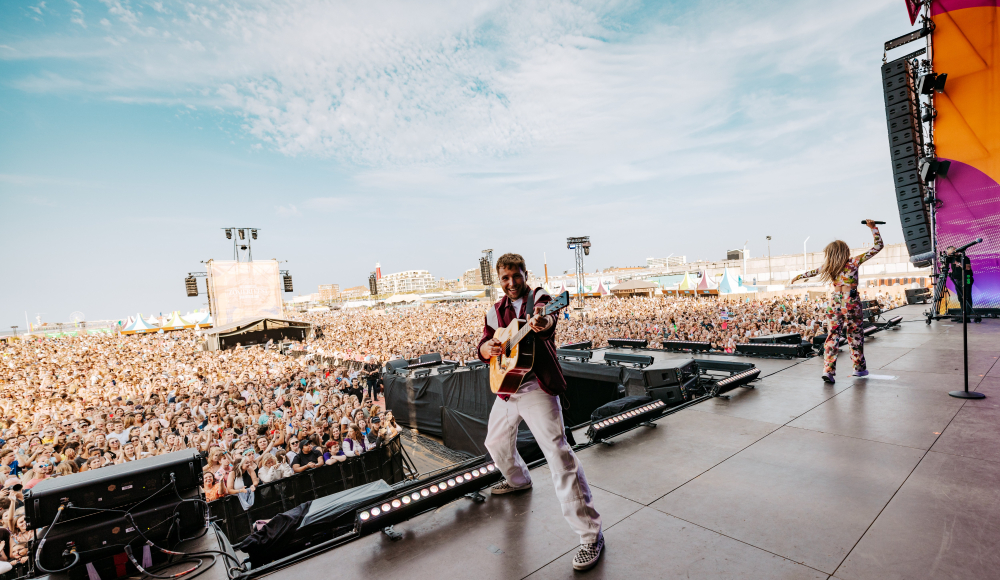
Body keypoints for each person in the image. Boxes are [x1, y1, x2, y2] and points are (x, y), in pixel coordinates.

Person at [477, 253, 604, 571]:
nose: (510, 283)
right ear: (499, 279)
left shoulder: (541, 299)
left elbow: (546, 324)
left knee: (559, 457)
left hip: (536, 389)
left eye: (515, 276)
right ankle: (518, 479)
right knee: (495, 444)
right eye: (504, 278)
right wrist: (487, 348)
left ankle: (590, 536)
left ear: (524, 274)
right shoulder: (494, 311)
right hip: (507, 388)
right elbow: (483, 344)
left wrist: (543, 320)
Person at [791, 220, 883, 383]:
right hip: (851, 300)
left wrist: (798, 277)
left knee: (832, 336)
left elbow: (812, 272)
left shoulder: (829, 266)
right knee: (855, 334)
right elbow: (878, 247)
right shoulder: (853, 262)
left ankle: (828, 371)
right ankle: (859, 369)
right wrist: (873, 228)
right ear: (844, 251)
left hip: (835, 301)